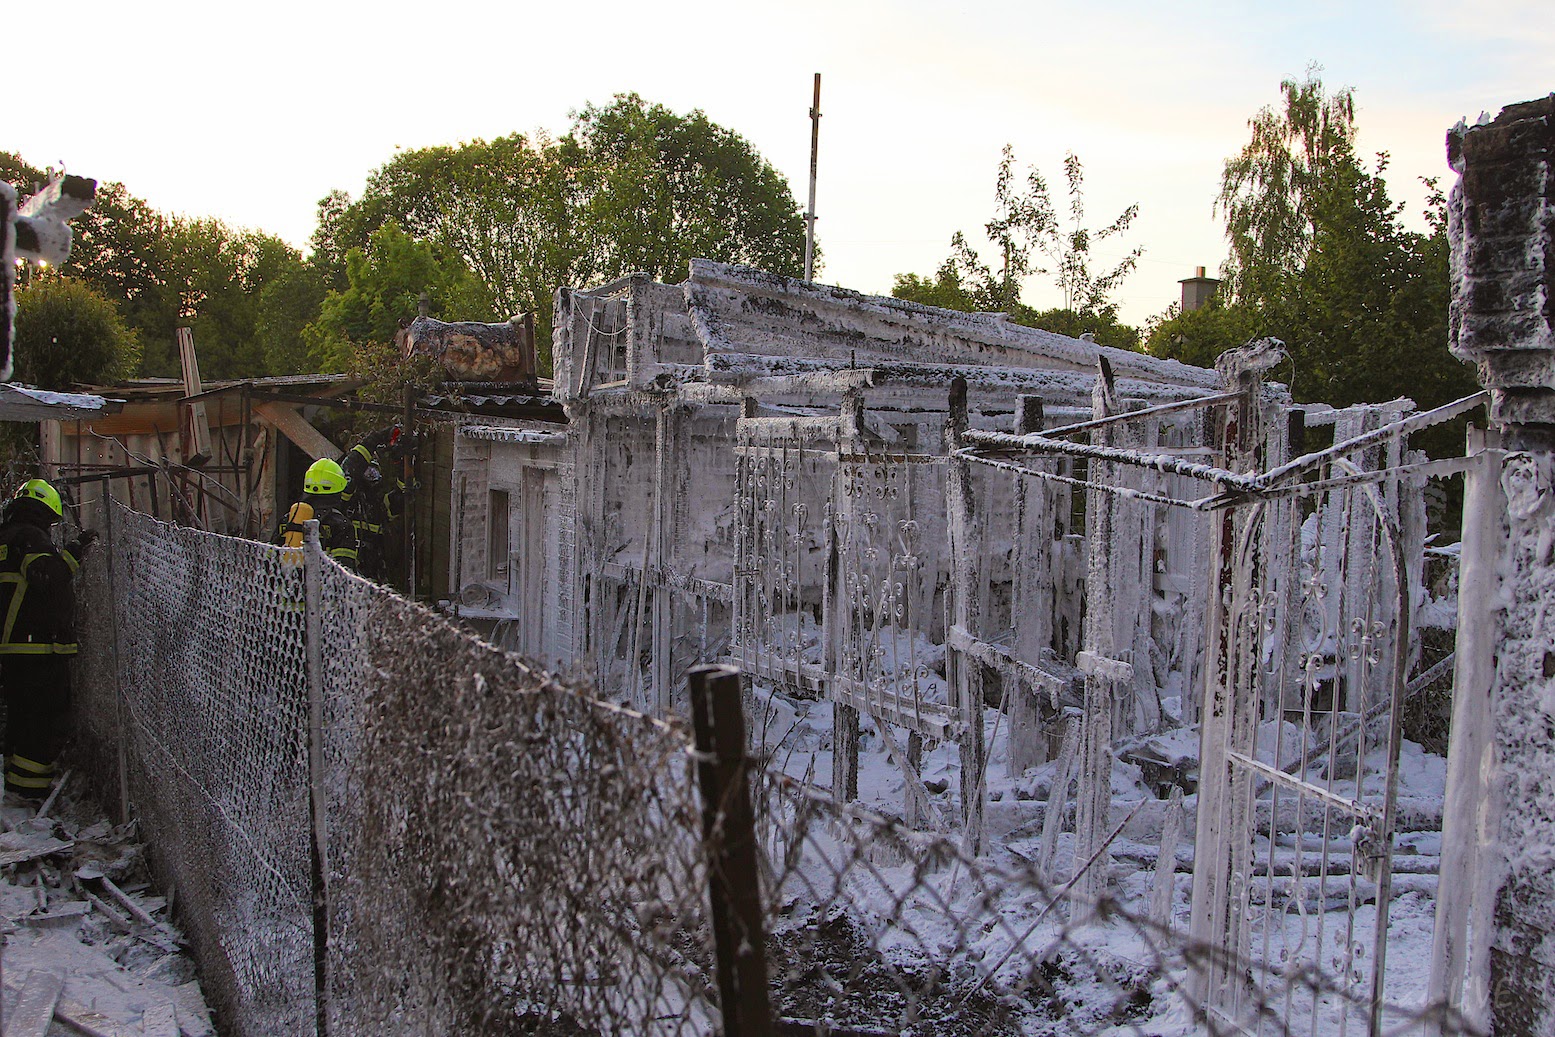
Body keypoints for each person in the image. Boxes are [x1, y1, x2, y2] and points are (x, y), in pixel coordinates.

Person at [0, 479, 95, 799]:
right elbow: (47, 577)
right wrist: (73, 553)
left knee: (21, 716)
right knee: (46, 720)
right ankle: (28, 795)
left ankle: (15, 785)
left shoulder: (6, 538)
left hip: (14, 647)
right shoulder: (30, 537)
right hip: (37, 645)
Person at [341, 425, 414, 581]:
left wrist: (401, 463)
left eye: (375, 473)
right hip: (350, 568)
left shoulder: (379, 503)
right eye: (368, 473)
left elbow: (405, 495)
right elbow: (351, 468)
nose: (372, 477)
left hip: (375, 569)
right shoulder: (347, 499)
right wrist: (377, 438)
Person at [278, 458, 359, 571]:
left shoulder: (289, 519)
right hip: (323, 587)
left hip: (288, 585)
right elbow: (344, 571)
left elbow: (270, 559)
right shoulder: (342, 525)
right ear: (339, 486)